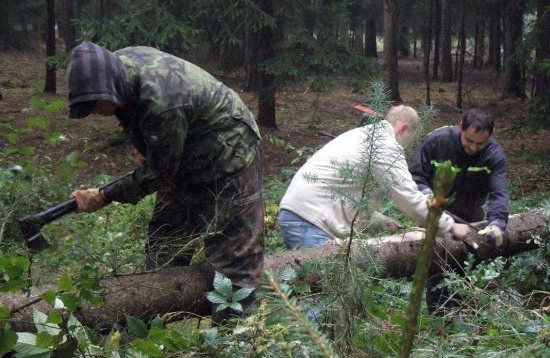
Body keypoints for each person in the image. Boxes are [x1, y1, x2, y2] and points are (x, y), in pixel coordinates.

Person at [66, 42, 264, 324]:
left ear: (111, 83)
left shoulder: (162, 102)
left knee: (235, 260)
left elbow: (159, 174)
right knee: (165, 241)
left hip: (231, 154)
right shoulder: (119, 69)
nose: (97, 111)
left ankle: (233, 343)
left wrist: (104, 194)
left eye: (97, 103)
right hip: (186, 155)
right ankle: (155, 336)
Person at [278, 105, 470, 250]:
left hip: (299, 214)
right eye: (408, 141)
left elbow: (347, 192)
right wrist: (450, 226)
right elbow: (409, 198)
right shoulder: (385, 146)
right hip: (311, 221)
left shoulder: (362, 135)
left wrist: (378, 220)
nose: (405, 148)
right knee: (321, 297)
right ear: (403, 129)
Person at [408, 108, 510, 313]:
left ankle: (465, 316)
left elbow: (499, 192)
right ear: (460, 127)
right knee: (437, 272)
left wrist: (497, 223)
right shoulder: (438, 141)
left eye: (479, 143)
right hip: (436, 215)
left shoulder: (494, 155)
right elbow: (415, 175)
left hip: (471, 216)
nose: (473, 147)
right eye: (469, 141)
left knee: (467, 271)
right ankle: (440, 321)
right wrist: (427, 194)